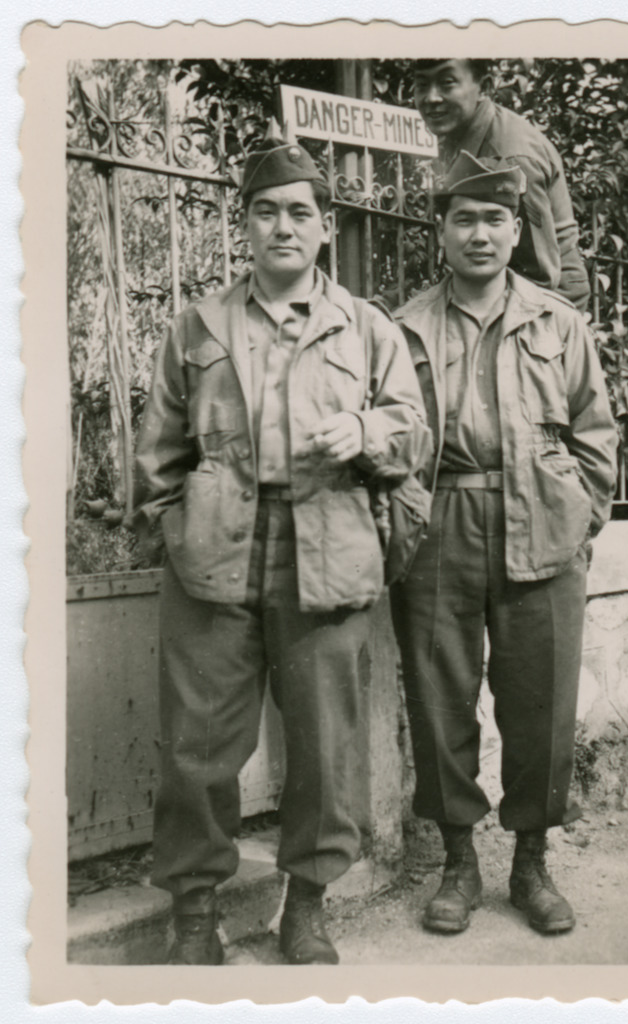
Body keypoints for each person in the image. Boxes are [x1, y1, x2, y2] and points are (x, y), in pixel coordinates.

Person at [133, 138, 431, 965]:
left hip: (328, 554)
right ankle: (195, 914)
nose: (282, 226)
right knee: (196, 750)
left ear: (326, 227)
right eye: (265, 211)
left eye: (299, 211)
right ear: (246, 226)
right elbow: (158, 457)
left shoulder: (366, 328)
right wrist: (177, 527)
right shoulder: (198, 326)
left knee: (325, 748)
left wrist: (366, 429)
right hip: (214, 564)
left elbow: (413, 434)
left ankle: (307, 906)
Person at [391, 152, 617, 937]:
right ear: (442, 232)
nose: (480, 234)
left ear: (517, 231)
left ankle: (531, 861)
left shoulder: (560, 321)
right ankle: (459, 860)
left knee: (540, 703)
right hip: (441, 521)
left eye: (494, 219)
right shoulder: (405, 328)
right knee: (438, 695)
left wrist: (582, 518)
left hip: (543, 521)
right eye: (464, 219)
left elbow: (595, 430)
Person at [413, 58, 591, 311]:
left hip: (548, 308)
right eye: (422, 85)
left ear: (484, 87)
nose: (431, 98)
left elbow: (541, 278)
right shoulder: (462, 132)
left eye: (447, 83)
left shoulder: (509, 157)